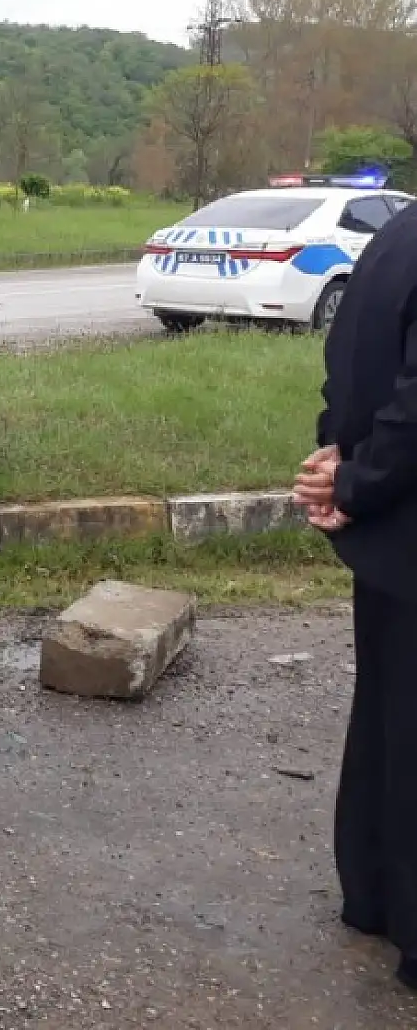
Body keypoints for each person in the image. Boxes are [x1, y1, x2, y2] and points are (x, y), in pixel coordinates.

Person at [293, 198, 417, 991]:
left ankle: (372, 895)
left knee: (387, 719)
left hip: (387, 545)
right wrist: (358, 481)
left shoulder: (397, 234)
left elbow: (347, 361)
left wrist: (334, 458)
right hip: (399, 513)